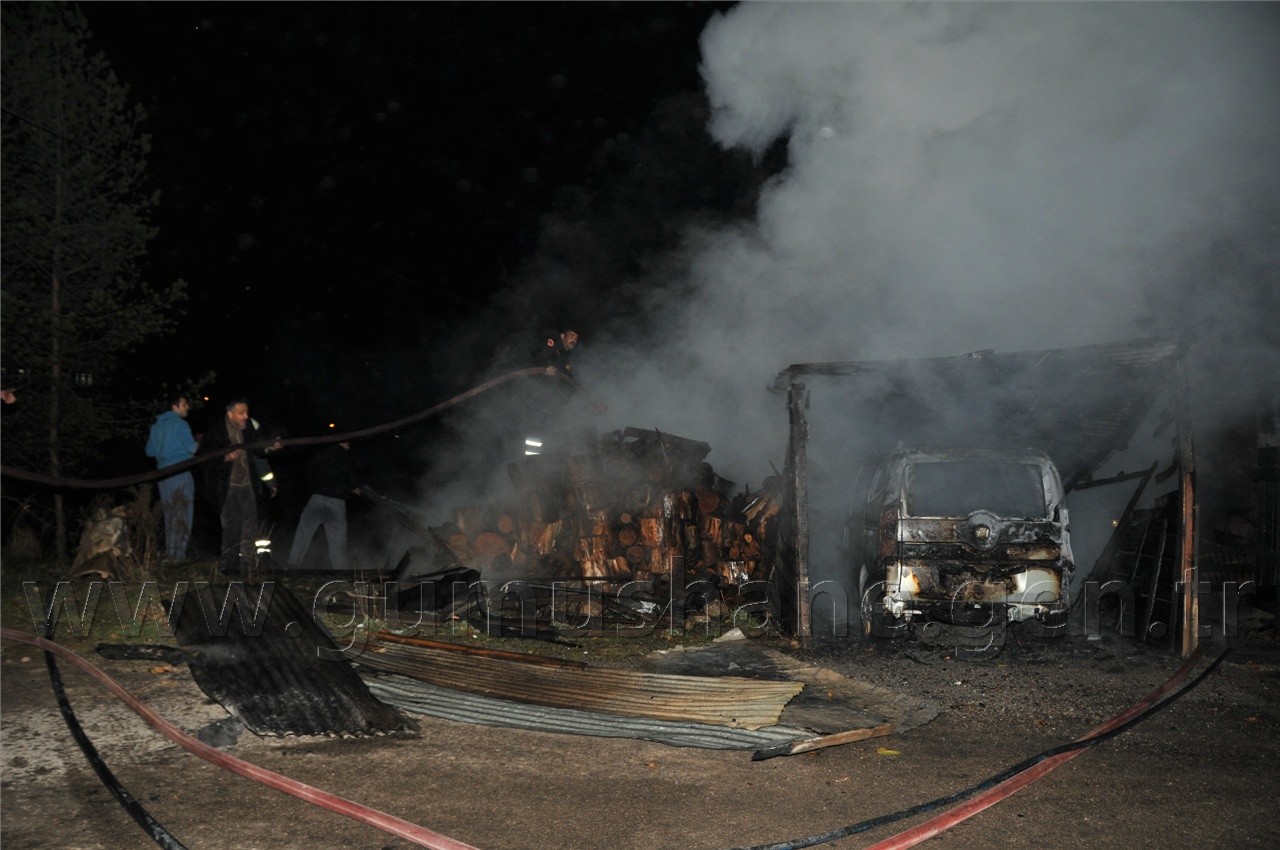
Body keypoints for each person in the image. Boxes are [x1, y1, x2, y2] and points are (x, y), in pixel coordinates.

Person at [199, 398, 280, 575]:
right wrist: (226, 458)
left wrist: (269, 447)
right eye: (241, 413)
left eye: (247, 412)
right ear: (230, 414)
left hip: (247, 485)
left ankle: (248, 564)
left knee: (250, 525)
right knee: (232, 526)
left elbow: (258, 448)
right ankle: (229, 565)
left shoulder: (248, 427)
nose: (246, 416)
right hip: (228, 487)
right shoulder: (217, 433)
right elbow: (205, 460)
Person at [285, 440, 361, 572]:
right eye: (348, 443)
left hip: (316, 499)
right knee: (337, 542)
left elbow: (309, 474)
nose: (349, 446)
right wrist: (355, 489)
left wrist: (318, 486)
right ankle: (341, 571)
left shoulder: (320, 455)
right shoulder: (346, 458)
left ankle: (292, 564)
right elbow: (352, 480)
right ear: (344, 442)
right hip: (336, 503)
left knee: (303, 534)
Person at [144, 394, 198, 561]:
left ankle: (171, 555)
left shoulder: (156, 427)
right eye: (184, 404)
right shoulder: (181, 424)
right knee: (183, 514)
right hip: (180, 472)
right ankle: (179, 557)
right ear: (174, 406)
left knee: (170, 515)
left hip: (163, 475)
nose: (187, 407)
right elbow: (192, 448)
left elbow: (149, 452)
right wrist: (200, 442)